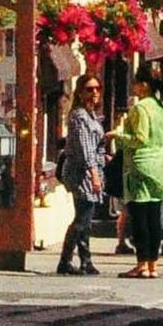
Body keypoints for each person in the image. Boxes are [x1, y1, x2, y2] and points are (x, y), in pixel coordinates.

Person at [116, 63, 163, 279]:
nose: (133, 87)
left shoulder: (140, 108)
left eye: (136, 83)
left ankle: (142, 263)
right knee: (154, 217)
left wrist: (117, 136)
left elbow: (140, 138)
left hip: (141, 166)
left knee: (140, 217)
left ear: (143, 85)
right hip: (160, 165)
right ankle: (153, 264)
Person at [57, 72, 106, 276]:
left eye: (97, 89)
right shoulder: (78, 116)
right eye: (89, 89)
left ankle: (85, 260)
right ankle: (65, 260)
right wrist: (94, 173)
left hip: (92, 169)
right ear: (80, 92)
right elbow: (85, 149)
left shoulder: (92, 115)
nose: (94, 93)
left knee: (85, 217)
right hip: (81, 172)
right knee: (83, 217)